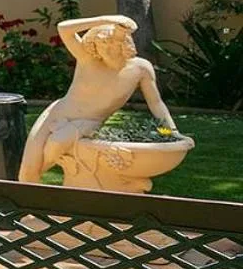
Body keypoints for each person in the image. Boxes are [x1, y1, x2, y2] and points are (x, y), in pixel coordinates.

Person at [18, 14, 177, 183]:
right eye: (100, 46)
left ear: (124, 45)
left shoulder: (140, 69)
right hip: (57, 113)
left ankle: (58, 186)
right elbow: (64, 28)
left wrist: (171, 131)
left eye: (111, 46)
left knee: (56, 144)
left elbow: (156, 103)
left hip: (89, 121)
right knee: (28, 171)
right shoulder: (88, 59)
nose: (106, 51)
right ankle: (31, 207)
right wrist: (107, 20)